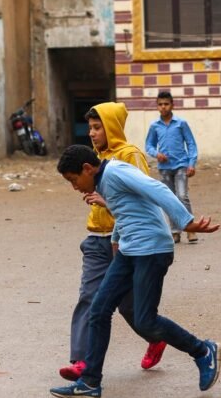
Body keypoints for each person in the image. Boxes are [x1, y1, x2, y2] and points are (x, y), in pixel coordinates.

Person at [50, 144, 221, 398]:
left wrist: (185, 222)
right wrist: (117, 241)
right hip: (130, 251)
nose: (74, 187)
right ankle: (89, 383)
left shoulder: (116, 172)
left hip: (152, 250)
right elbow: (127, 209)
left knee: (145, 321)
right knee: (99, 310)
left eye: (74, 180)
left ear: (87, 168)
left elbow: (158, 189)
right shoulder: (103, 181)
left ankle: (202, 350)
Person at [59, 101, 167, 382]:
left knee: (130, 306)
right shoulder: (92, 158)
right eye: (91, 128)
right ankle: (81, 361)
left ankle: (156, 337)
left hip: (126, 242)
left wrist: (106, 202)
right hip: (96, 239)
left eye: (98, 127)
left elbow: (143, 199)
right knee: (89, 297)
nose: (92, 133)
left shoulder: (129, 156)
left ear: (113, 127)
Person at [145, 90, 199, 243]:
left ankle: (190, 230)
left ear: (172, 105)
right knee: (170, 199)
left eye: (166, 104)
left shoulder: (181, 124)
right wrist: (156, 154)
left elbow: (191, 144)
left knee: (182, 196)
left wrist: (191, 163)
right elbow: (148, 145)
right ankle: (175, 231)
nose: (163, 107)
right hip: (164, 167)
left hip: (181, 164)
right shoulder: (155, 126)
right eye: (160, 104)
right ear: (157, 106)